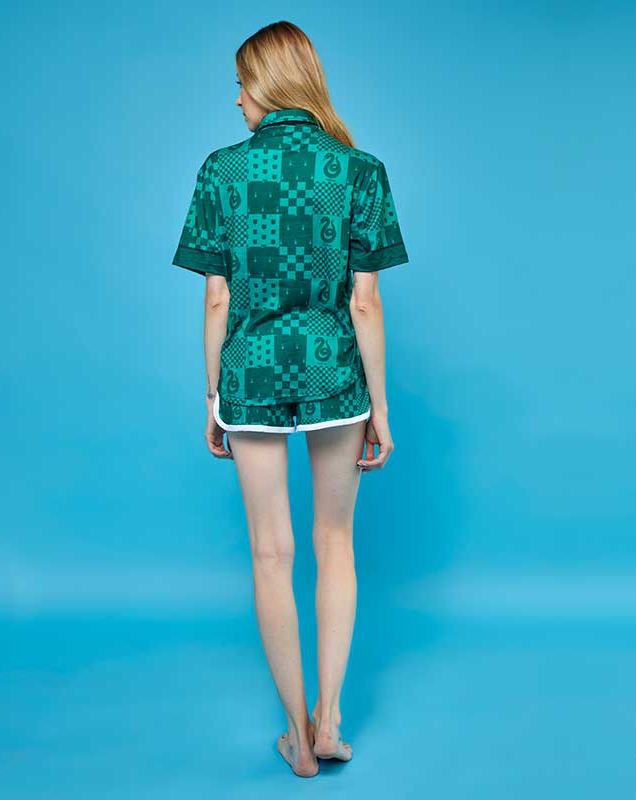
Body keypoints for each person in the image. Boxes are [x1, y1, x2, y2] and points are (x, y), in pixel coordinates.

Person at [171, 20, 409, 778]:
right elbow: (365, 302)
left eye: (241, 84)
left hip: (250, 377)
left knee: (271, 553)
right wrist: (379, 407)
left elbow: (217, 299)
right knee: (334, 542)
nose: (237, 100)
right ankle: (330, 720)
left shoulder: (220, 171)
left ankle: (297, 740)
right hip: (334, 375)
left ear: (267, 84)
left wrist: (214, 396)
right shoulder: (360, 170)